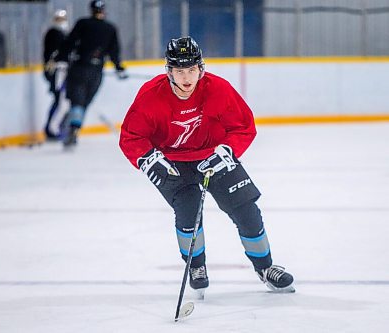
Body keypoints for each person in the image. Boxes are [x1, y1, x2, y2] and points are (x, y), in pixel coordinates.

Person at [119, 37, 295, 295]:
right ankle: (196, 266)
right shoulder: (150, 96)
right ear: (169, 71)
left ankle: (265, 267)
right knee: (188, 213)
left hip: (213, 157)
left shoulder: (219, 89)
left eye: (192, 70)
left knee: (246, 209)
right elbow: (131, 137)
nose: (187, 78)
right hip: (173, 164)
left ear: (201, 68)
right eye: (180, 71)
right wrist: (147, 158)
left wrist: (227, 151)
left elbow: (243, 127)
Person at [56, 0, 127, 148]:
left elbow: (69, 42)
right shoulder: (110, 28)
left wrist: (61, 59)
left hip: (79, 68)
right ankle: (73, 128)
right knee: (83, 103)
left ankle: (72, 128)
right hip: (96, 72)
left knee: (77, 102)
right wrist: (118, 67)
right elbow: (114, 51)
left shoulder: (83, 23)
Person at [43, 9, 69, 140]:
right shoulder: (54, 33)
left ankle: (55, 128)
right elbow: (53, 56)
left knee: (61, 101)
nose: (61, 21)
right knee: (59, 101)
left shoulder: (62, 34)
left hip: (61, 72)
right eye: (59, 19)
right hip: (56, 73)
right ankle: (51, 129)